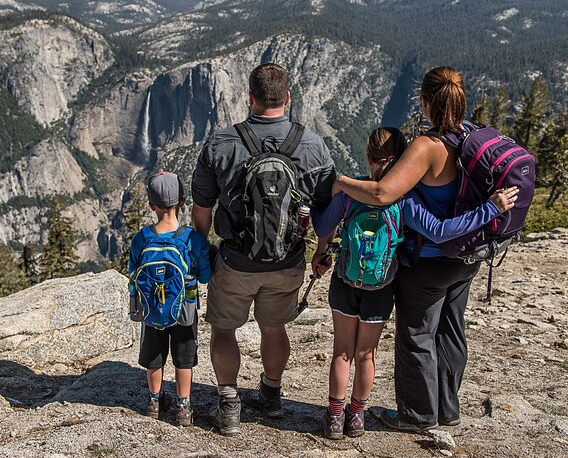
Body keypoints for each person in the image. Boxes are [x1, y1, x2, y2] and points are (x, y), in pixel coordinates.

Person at [332, 67, 519, 431]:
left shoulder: (426, 147)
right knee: (450, 331)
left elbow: (384, 193)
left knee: (417, 334)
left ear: (424, 102)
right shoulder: (471, 137)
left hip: (430, 261)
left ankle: (416, 416)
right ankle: (446, 410)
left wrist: (340, 181)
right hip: (466, 259)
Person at [191, 63, 336, 436]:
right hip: (287, 260)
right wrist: (322, 250)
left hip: (235, 260)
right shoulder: (313, 145)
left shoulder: (221, 143)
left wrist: (202, 249)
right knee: (274, 328)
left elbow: (202, 207)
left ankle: (228, 404)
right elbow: (327, 208)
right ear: (288, 99)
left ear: (250, 98)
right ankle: (270, 394)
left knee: (224, 329)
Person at [128, 171, 211, 427]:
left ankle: (154, 401)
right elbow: (205, 275)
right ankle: (183, 407)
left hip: (152, 310)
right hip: (184, 310)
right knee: (184, 359)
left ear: (151, 206)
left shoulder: (142, 238)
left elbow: (133, 273)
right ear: (183, 202)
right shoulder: (191, 238)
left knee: (154, 357)